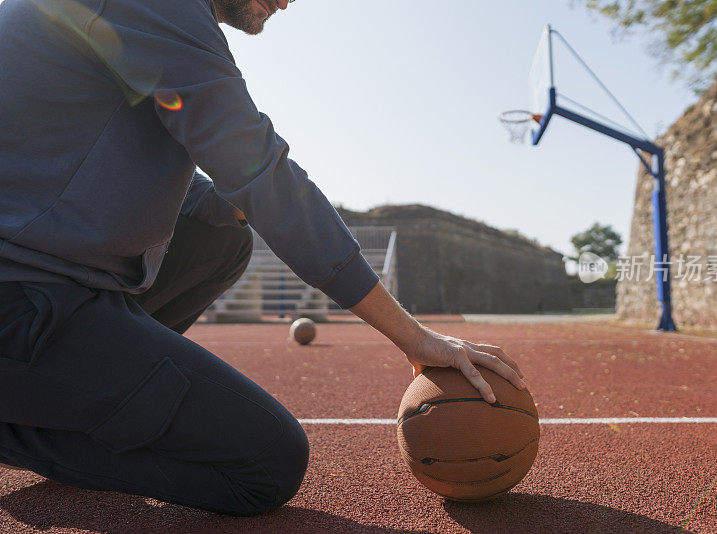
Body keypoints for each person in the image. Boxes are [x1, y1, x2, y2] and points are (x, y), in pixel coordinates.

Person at [0, 0, 526, 516]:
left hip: (43, 276)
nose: (287, 2)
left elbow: (67, 149)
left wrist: (227, 199)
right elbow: (261, 174)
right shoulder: (159, 6)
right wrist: (415, 336)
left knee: (220, 237)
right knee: (265, 466)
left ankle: (59, 394)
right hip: (20, 298)